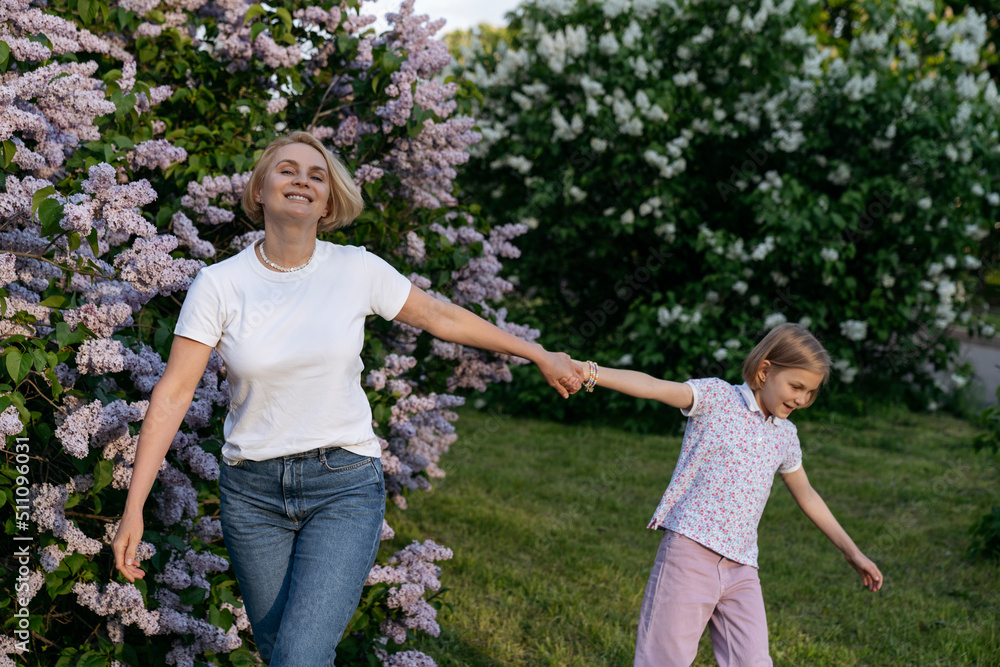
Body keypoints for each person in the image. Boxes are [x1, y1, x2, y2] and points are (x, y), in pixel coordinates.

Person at [112, 130, 581, 666]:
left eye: (317, 175)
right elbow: (173, 395)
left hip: (343, 486)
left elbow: (441, 317)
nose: (302, 181)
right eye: (287, 170)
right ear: (259, 191)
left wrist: (537, 352)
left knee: (300, 659)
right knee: (283, 654)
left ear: (329, 202)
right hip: (252, 496)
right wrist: (134, 508)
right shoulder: (219, 285)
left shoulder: (356, 268)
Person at [566, 324, 883, 667]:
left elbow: (807, 496)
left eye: (811, 392)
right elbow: (654, 387)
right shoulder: (717, 398)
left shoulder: (786, 436)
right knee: (664, 659)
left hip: (743, 568)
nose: (802, 399)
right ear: (765, 370)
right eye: (796, 386)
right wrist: (589, 371)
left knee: (753, 661)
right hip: (690, 554)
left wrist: (852, 552)